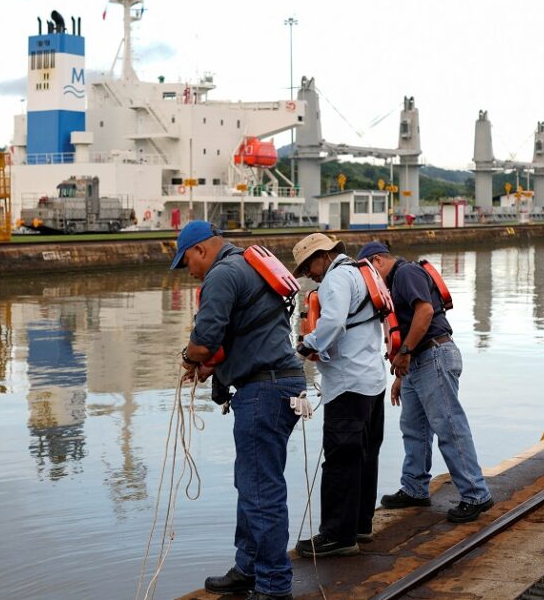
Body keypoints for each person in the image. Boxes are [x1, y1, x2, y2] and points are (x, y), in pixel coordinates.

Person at [172, 221, 305, 600]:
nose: (190, 271)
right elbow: (247, 331)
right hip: (280, 383)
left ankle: (274, 584)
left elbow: (203, 341)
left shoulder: (221, 274)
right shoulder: (247, 267)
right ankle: (248, 567)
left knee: (260, 490)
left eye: (187, 263)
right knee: (252, 484)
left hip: (263, 391)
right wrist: (212, 365)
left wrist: (190, 359)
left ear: (199, 250)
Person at [359, 241, 495, 523]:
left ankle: (476, 494)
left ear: (377, 261)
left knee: (449, 425)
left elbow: (425, 313)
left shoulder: (406, 273)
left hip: (433, 354)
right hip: (418, 361)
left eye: (367, 272)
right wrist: (401, 373)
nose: (368, 280)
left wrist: (405, 352)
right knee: (413, 427)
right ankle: (415, 488)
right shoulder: (396, 280)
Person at [290, 233, 388, 558]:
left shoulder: (335, 279)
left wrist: (305, 347)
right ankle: (361, 525)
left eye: (308, 266)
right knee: (365, 456)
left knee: (340, 460)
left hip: (348, 385)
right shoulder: (359, 272)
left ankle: (337, 535)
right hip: (372, 380)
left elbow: (332, 322)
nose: (308, 275)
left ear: (323, 256)